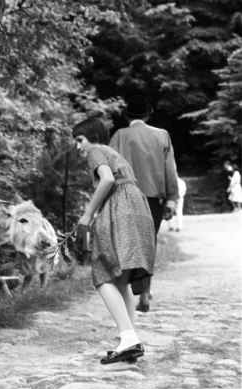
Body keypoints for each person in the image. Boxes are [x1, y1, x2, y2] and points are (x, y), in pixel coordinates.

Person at [73, 116, 155, 365]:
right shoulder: (111, 151)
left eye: (80, 140)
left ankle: (128, 338)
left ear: (93, 137)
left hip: (120, 206)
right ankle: (130, 341)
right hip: (137, 207)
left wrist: (88, 214)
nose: (78, 146)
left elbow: (107, 179)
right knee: (121, 279)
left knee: (103, 273)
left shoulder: (96, 150)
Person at [109, 95, 179, 312]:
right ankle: (145, 291)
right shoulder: (162, 135)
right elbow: (170, 169)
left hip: (126, 197)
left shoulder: (119, 136)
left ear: (127, 115)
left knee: (130, 244)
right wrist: (171, 199)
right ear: (148, 114)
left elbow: (109, 169)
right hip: (153, 199)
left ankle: (133, 290)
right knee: (149, 243)